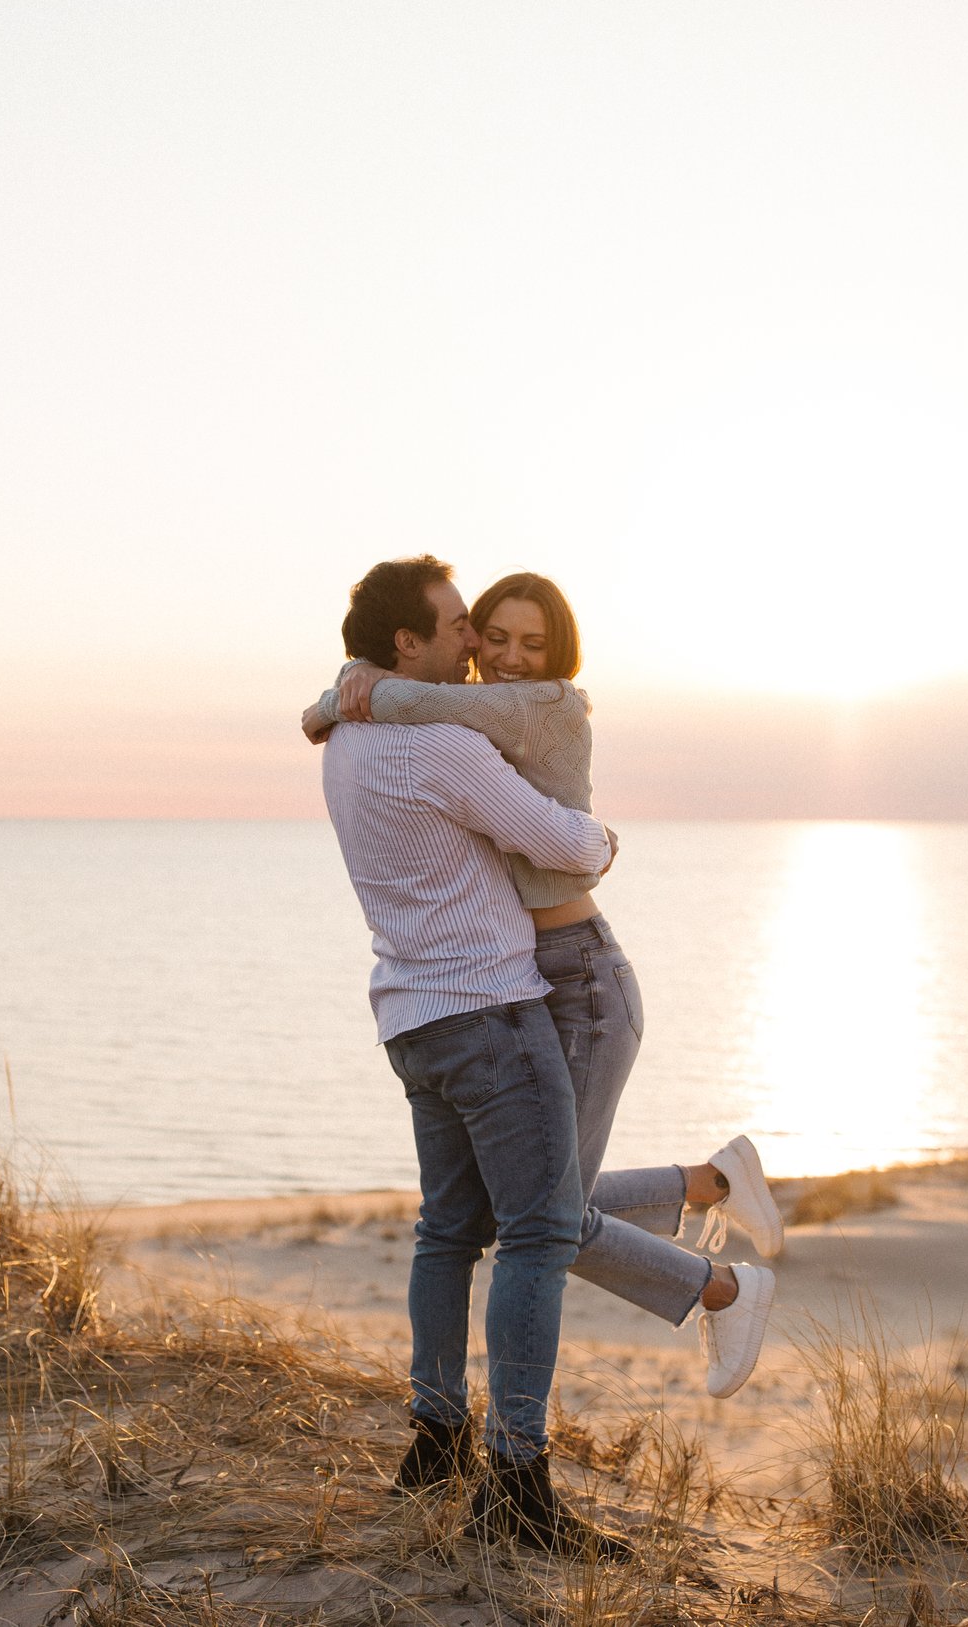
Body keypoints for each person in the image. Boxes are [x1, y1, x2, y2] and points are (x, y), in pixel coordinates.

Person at [314, 556, 775, 1562]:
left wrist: (345, 691)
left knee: (455, 1230)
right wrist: (604, 839)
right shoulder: (442, 743)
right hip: (492, 1006)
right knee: (536, 1230)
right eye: (460, 623)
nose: (474, 642)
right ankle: (523, 1479)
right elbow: (561, 842)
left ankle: (438, 1441)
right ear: (409, 644)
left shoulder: (348, 740)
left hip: (415, 1015)